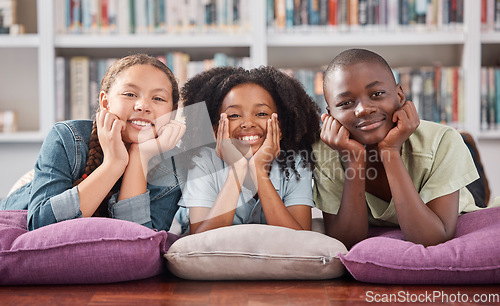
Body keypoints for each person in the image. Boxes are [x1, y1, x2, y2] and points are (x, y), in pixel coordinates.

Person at [314, 48, 484, 248]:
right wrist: (354, 161)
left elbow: (432, 239)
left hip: (454, 199)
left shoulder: (443, 141)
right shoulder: (324, 152)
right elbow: (347, 242)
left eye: (377, 94)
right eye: (346, 103)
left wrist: (390, 152)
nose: (363, 110)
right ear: (329, 115)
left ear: (400, 95)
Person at [1, 54, 186, 231]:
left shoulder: (173, 166)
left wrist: (139, 158)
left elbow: (139, 242)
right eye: (130, 94)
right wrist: (114, 164)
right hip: (26, 196)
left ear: (173, 111)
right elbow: (41, 226)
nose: (143, 106)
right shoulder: (67, 137)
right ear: (105, 103)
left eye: (158, 98)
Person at [172, 66, 321, 235]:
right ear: (215, 129)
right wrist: (237, 169)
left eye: (262, 113)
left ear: (280, 125)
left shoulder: (295, 163)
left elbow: (300, 239)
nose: (248, 123)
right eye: (234, 115)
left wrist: (259, 172)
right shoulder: (203, 161)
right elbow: (199, 240)